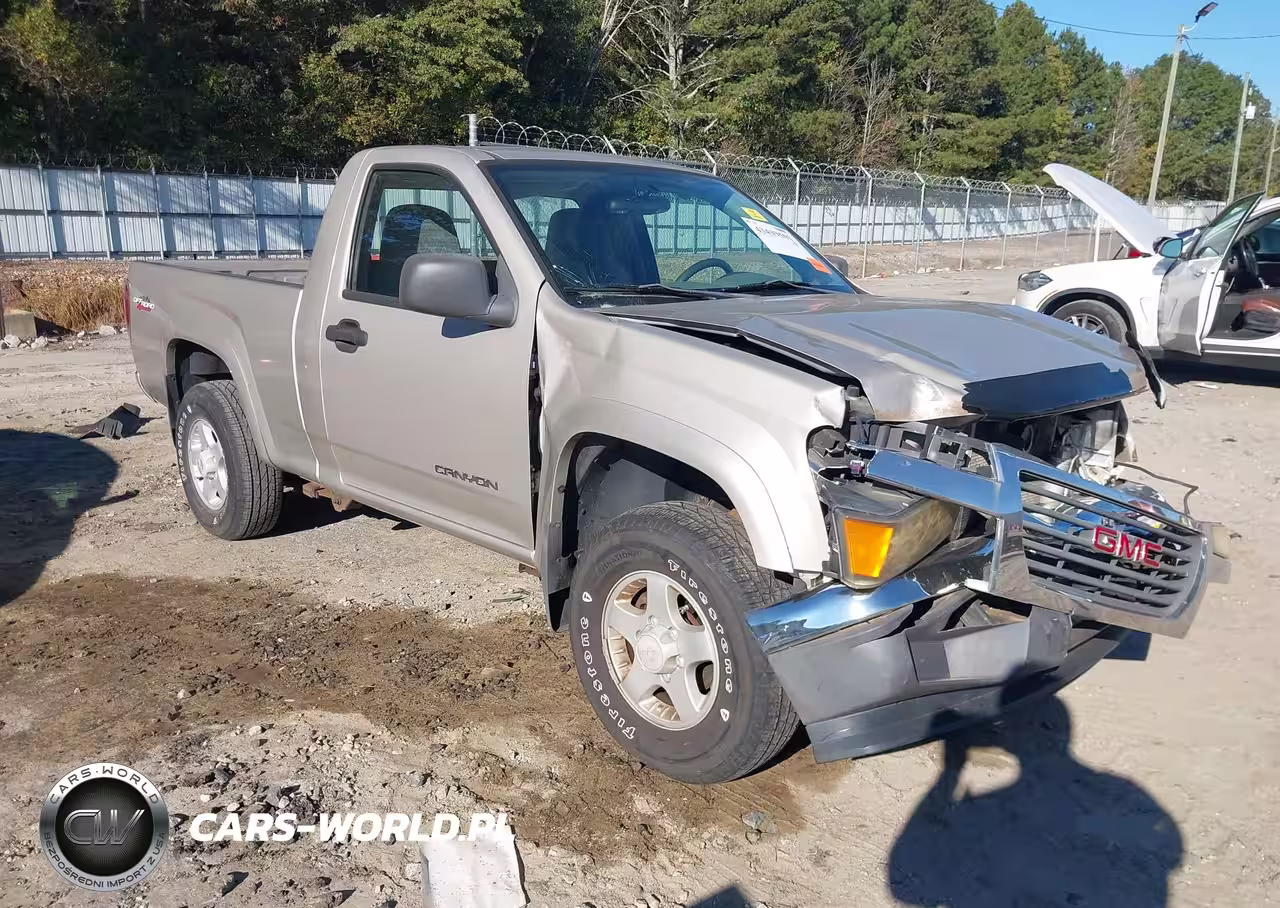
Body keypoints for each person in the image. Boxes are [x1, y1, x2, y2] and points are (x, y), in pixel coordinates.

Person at [888, 696, 1183, 908]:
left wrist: (949, 774)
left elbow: (907, 886)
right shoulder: (1118, 792)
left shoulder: (988, 810)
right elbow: (1169, 852)